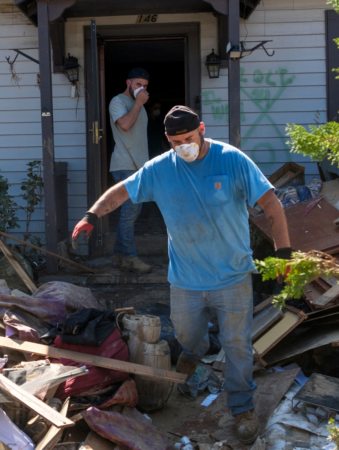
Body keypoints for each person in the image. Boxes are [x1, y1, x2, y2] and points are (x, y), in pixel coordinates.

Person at [72, 106, 291, 444]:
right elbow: (120, 192)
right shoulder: (160, 170)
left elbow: (272, 204)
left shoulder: (231, 160)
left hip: (232, 275)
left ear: (201, 130)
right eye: (176, 142)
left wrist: (284, 254)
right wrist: (91, 214)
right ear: (167, 140)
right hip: (186, 280)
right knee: (188, 337)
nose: (184, 146)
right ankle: (192, 354)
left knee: (237, 345)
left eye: (189, 139)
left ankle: (242, 407)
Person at [106, 67, 152, 273]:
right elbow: (124, 125)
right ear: (128, 83)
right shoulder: (117, 102)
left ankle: (119, 256)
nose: (141, 88)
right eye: (137, 84)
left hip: (139, 166)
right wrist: (139, 103)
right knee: (130, 214)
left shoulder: (138, 106)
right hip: (124, 165)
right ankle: (130, 258)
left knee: (128, 213)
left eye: (145, 86)